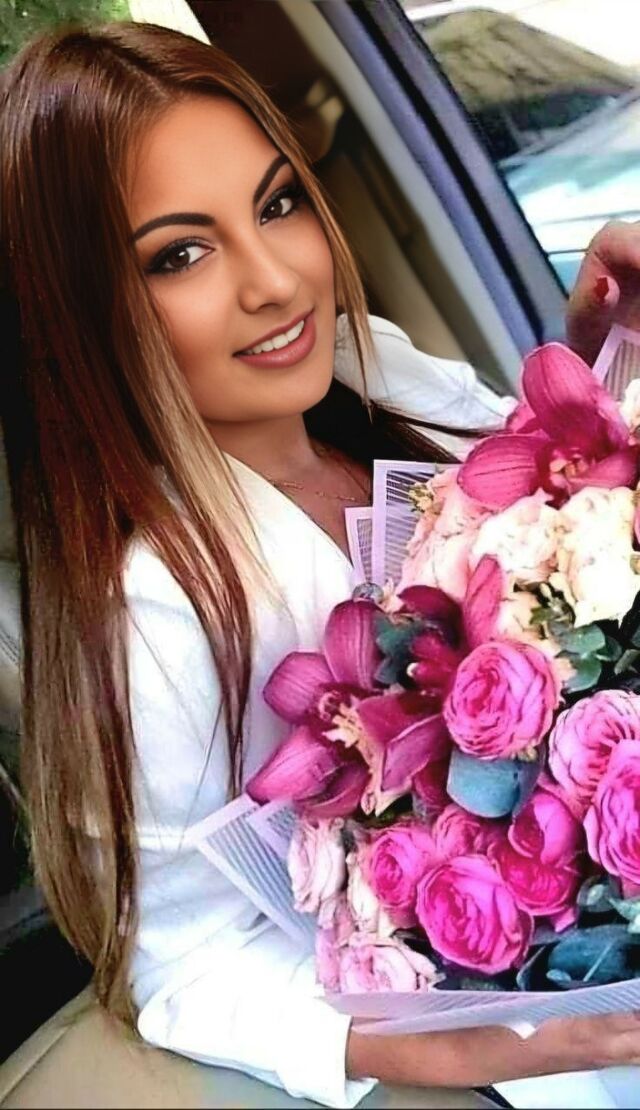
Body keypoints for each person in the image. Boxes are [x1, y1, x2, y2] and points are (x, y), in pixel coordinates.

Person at [1, 20, 639, 1108]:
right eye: (180, 254)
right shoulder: (154, 612)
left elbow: (537, 500)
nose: (274, 281)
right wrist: (459, 1050)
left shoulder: (366, 366)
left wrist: (597, 349)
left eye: (278, 203)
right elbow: (185, 962)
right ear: (77, 311)